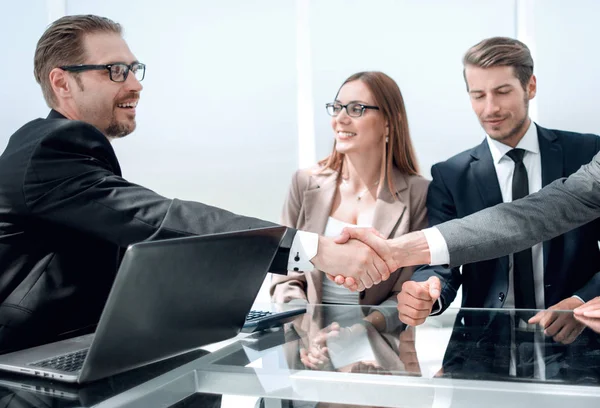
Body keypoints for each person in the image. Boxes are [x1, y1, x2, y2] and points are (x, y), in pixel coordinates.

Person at [0, 15, 391, 353]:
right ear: (62, 82)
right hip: (20, 359)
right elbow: (158, 219)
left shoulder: (69, 151)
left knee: (194, 373)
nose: (135, 85)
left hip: (67, 341)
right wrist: (313, 248)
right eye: (115, 71)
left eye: (135, 70)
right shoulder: (49, 148)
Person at [397, 37, 600, 340]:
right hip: (483, 347)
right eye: (477, 95)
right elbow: (442, 264)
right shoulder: (450, 175)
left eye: (502, 92)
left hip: (578, 342)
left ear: (530, 86)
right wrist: (428, 291)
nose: (489, 108)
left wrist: (582, 301)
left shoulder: (585, 152)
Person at [270, 71, 429, 333]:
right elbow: (284, 279)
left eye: (357, 109)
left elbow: (407, 291)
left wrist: (359, 333)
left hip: (381, 353)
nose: (340, 119)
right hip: (308, 351)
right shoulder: (304, 184)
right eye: (336, 108)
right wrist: (310, 332)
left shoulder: (419, 194)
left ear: (389, 122)